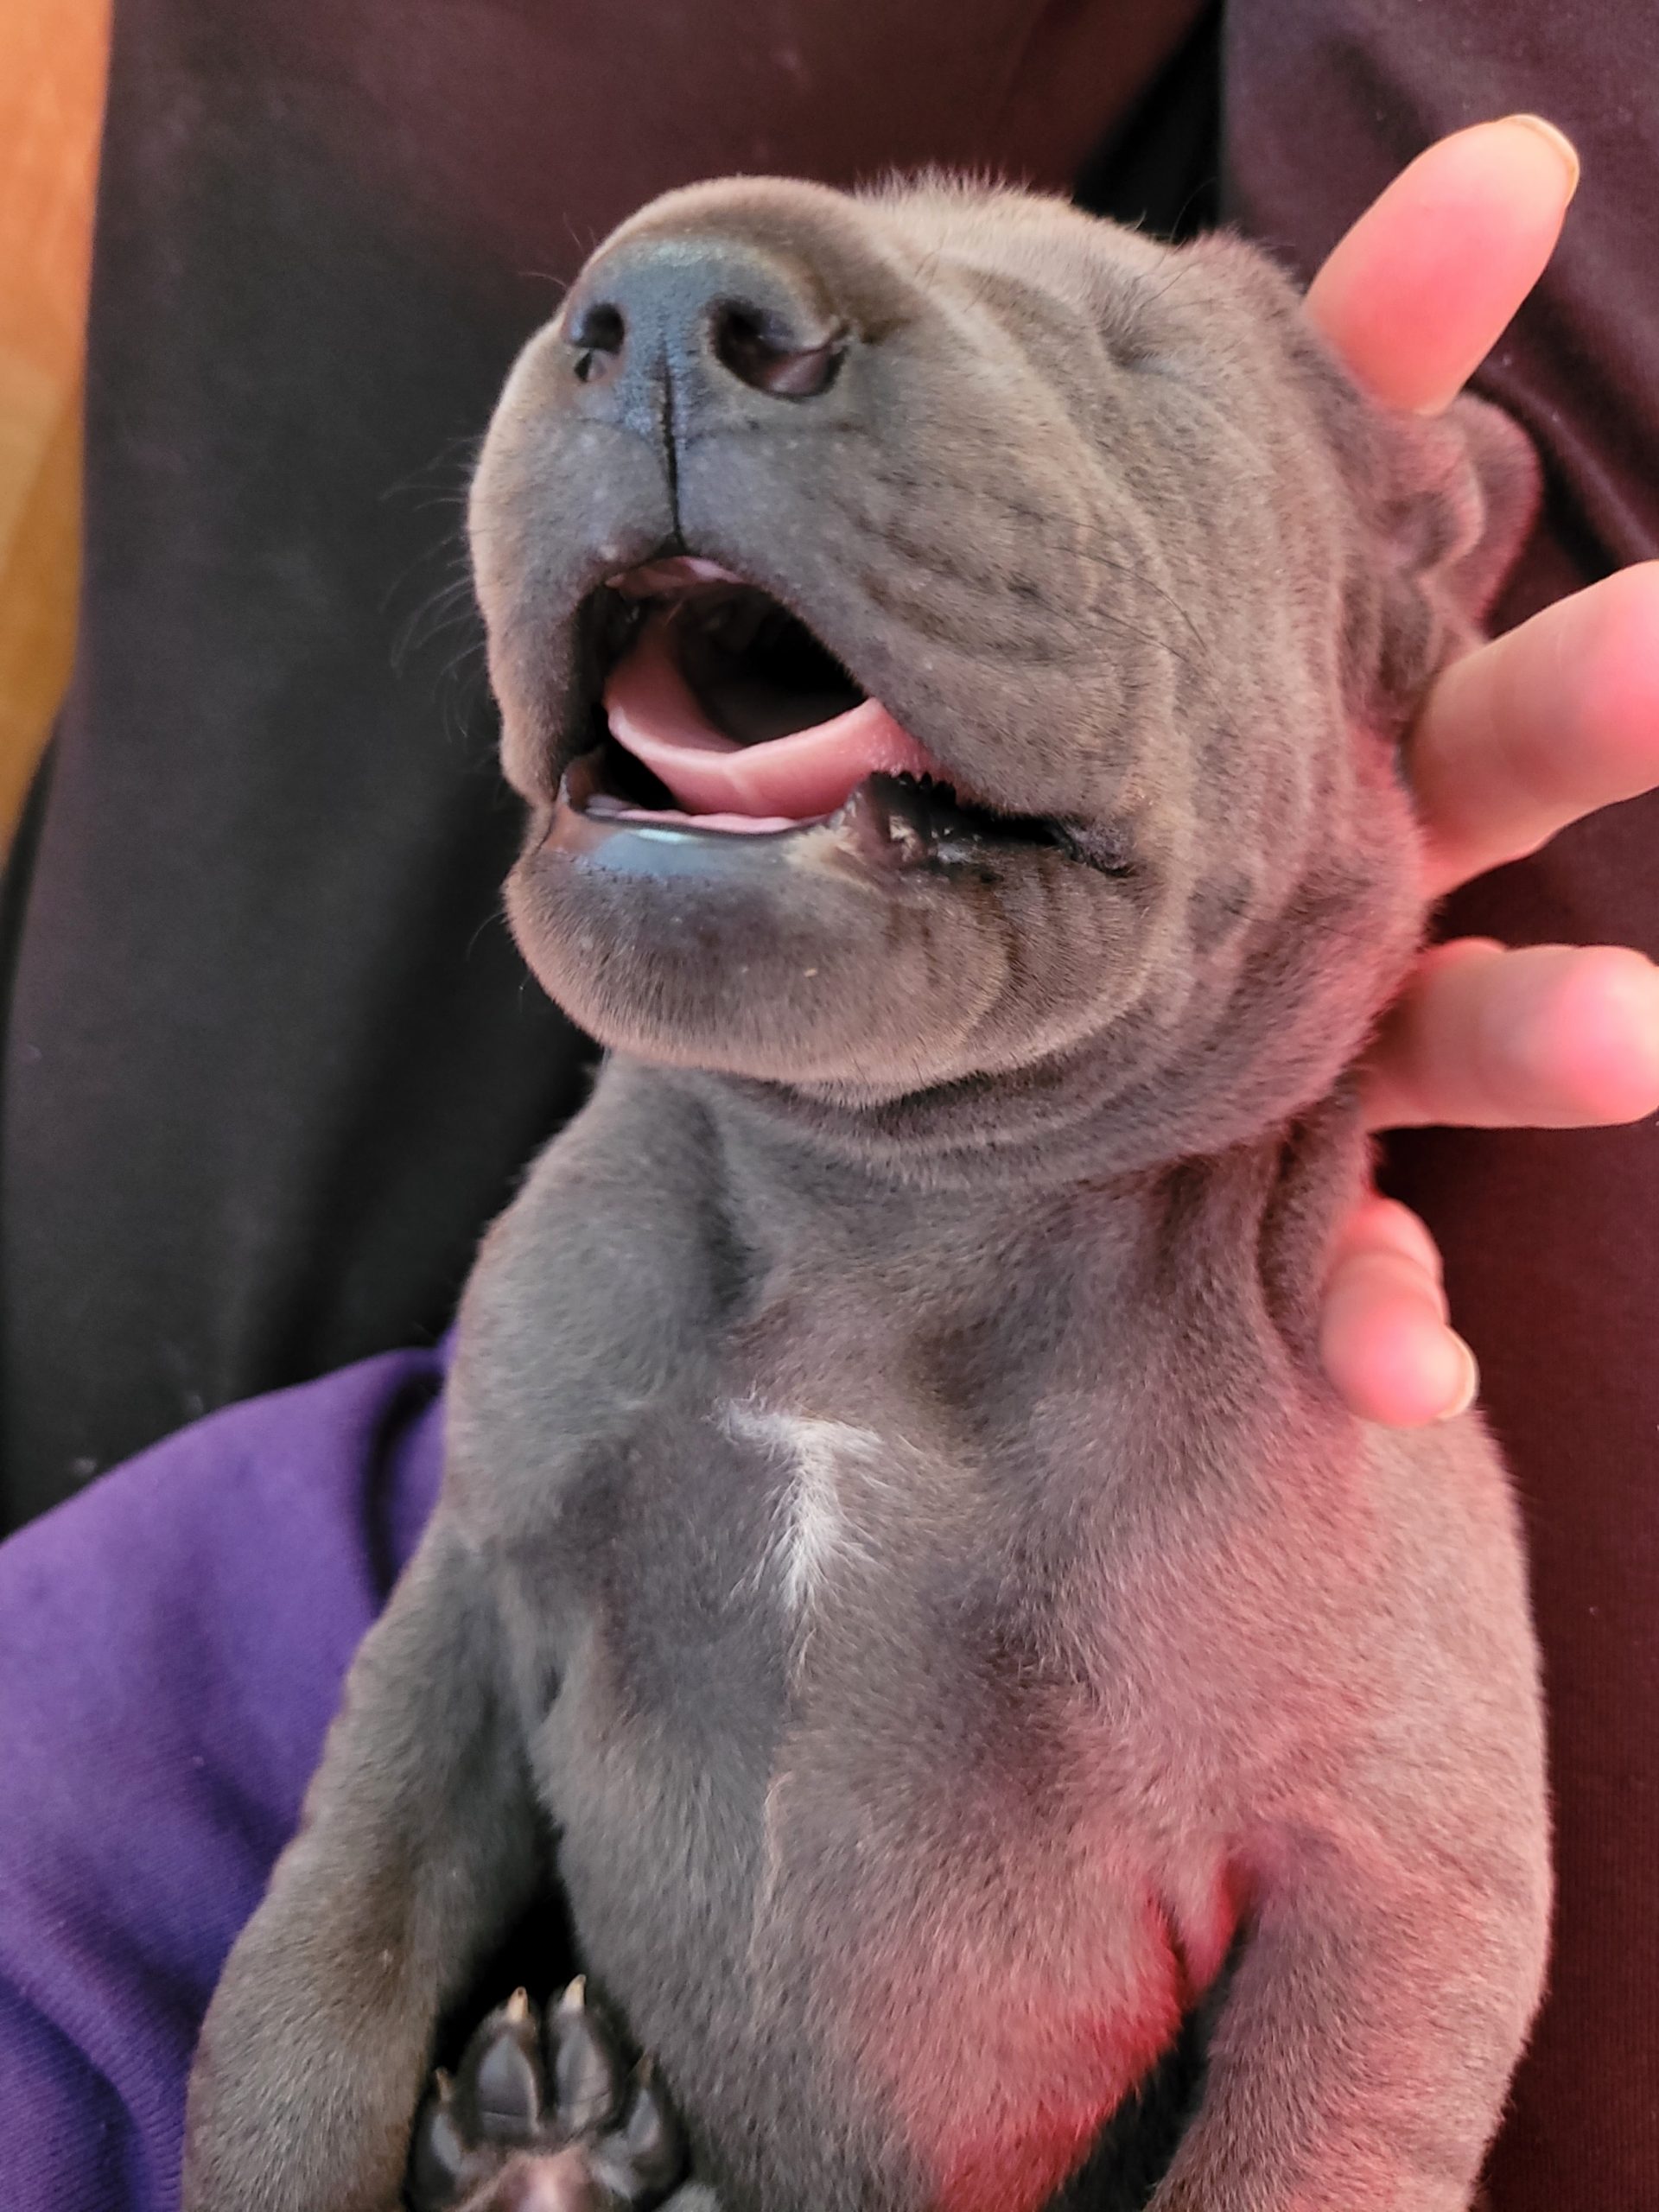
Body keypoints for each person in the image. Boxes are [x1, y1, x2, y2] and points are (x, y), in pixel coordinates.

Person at [0, 3, 1654, 2204]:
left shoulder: (1286, 1473)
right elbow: (456, 1677)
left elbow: (1414, 1905)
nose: (663, 332)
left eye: (1133, 373)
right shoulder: (619, 1265)